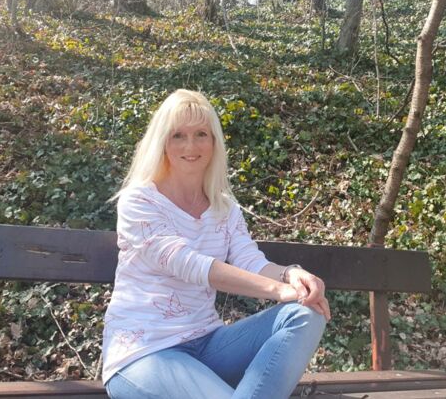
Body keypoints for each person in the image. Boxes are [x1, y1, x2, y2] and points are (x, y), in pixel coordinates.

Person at [102, 89, 330, 399]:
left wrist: (291, 275)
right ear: (162, 142)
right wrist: (277, 290)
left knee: (305, 313)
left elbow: (250, 260)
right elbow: (189, 264)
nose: (191, 146)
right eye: (178, 135)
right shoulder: (140, 201)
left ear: (214, 142)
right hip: (143, 353)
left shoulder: (225, 209)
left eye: (201, 134)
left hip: (208, 346)